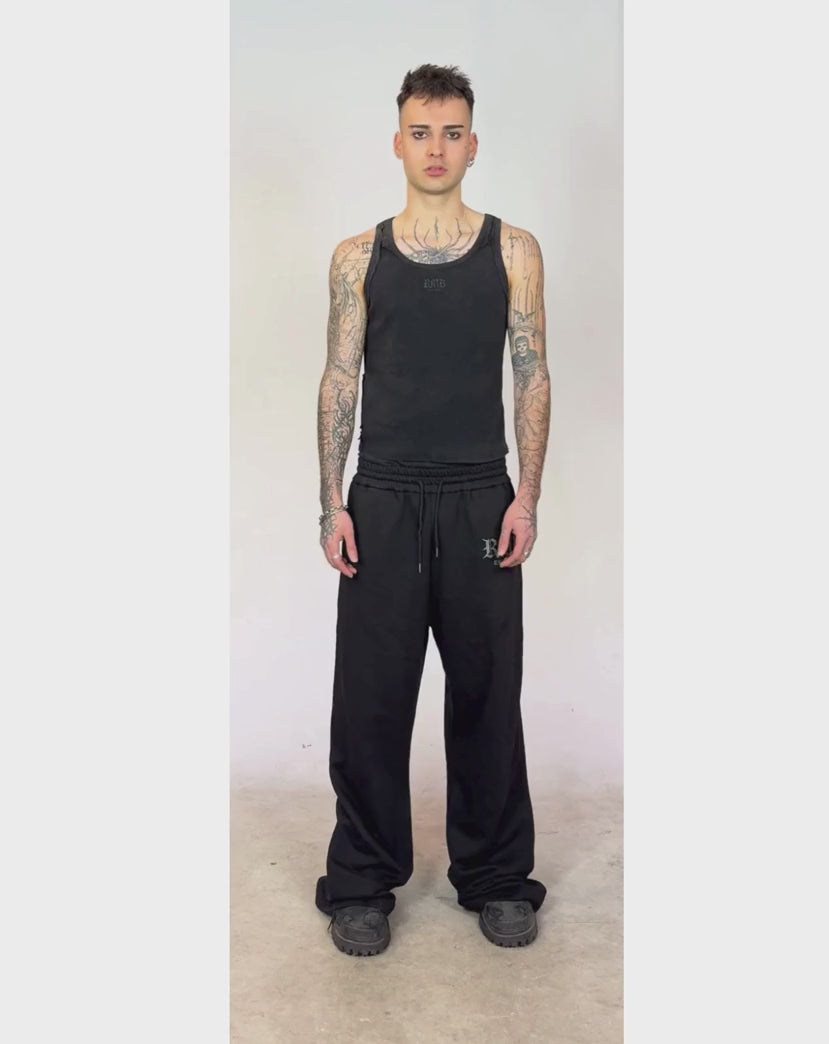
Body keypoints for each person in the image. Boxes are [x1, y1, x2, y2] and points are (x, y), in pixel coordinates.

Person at [314, 63, 551, 956]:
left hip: (479, 496)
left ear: (473, 143)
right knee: (371, 701)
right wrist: (330, 501)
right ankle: (361, 881)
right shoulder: (357, 257)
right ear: (398, 142)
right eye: (422, 132)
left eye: (452, 133)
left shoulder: (515, 251)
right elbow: (340, 377)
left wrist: (527, 495)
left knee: (487, 695)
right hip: (381, 497)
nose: (437, 148)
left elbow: (532, 371)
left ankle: (495, 878)